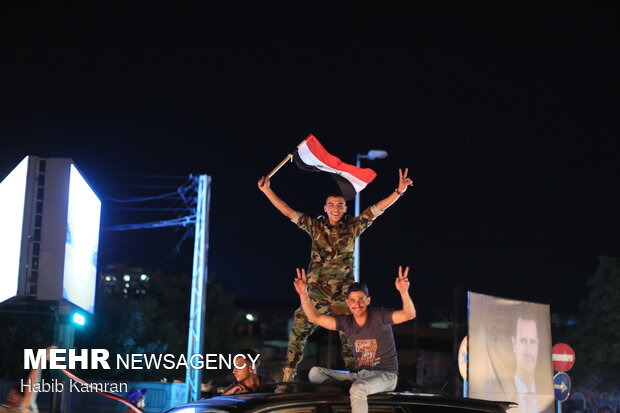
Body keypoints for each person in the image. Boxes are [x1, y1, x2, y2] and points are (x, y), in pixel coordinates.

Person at [258, 168, 413, 381]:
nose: (335, 209)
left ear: (345, 208)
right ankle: (288, 374)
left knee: (351, 336)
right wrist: (267, 190)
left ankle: (357, 375)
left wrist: (399, 191)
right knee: (300, 326)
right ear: (325, 207)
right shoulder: (315, 226)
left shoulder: (352, 226)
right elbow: (287, 211)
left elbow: (377, 209)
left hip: (344, 294)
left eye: (340, 205)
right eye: (331, 205)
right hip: (318, 291)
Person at [293, 266, 416, 413]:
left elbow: (409, 314)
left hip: (386, 376)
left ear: (368, 300)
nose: (357, 305)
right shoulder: (347, 322)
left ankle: (351, 390)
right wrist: (303, 293)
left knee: (358, 388)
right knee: (314, 372)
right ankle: (346, 388)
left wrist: (404, 292)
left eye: (361, 300)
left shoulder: (379, 316)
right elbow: (315, 318)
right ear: (348, 302)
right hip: (360, 375)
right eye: (352, 300)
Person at [510, 314, 539, 413]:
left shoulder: (547, 397)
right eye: (523, 341)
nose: (528, 351)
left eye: (533, 342)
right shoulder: (499, 393)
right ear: (514, 344)